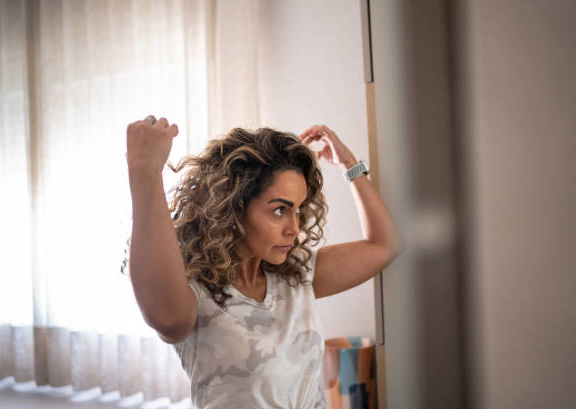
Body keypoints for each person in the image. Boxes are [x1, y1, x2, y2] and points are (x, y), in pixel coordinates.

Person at [125, 115, 403, 409]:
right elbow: (167, 320)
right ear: (231, 207)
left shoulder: (296, 273)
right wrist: (145, 173)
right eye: (280, 210)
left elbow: (384, 246)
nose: (294, 228)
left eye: (297, 209)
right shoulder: (197, 291)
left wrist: (350, 165)